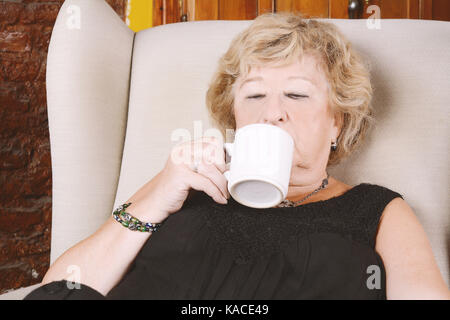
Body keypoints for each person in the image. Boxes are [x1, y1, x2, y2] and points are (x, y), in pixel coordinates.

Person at [25, 12, 449, 300]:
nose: (273, 112)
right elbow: (63, 288)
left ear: (337, 121)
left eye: (297, 94)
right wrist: (156, 194)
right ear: (235, 117)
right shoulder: (185, 188)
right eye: (255, 95)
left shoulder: (375, 209)